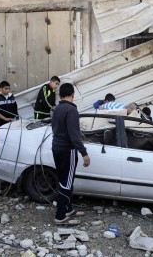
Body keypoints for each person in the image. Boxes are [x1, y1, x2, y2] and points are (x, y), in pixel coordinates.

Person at [52, 83, 90, 224]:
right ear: (72, 94)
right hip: (68, 150)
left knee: (65, 179)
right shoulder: (71, 110)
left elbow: (55, 128)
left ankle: (68, 209)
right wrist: (84, 153)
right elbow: (74, 135)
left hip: (56, 148)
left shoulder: (57, 109)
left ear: (60, 94)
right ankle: (60, 216)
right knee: (66, 182)